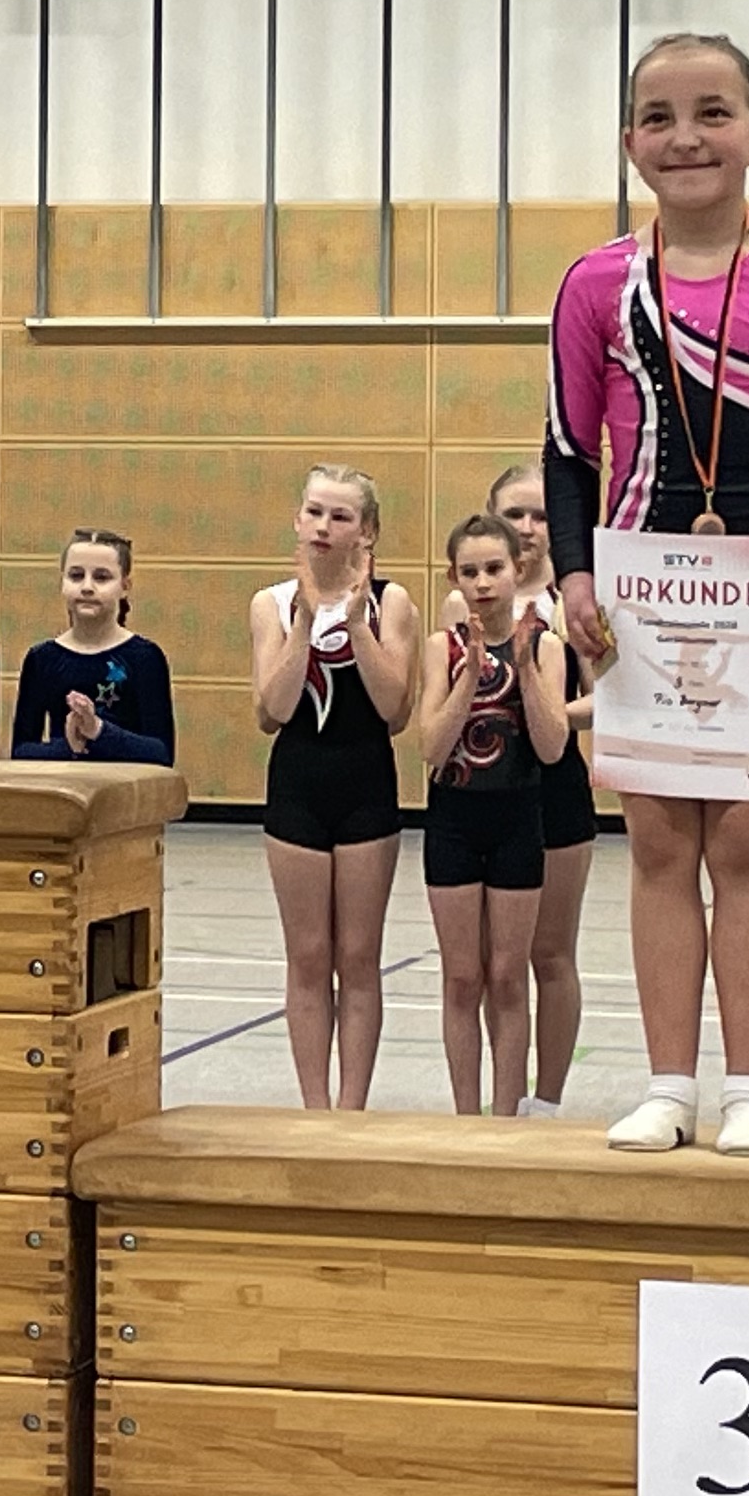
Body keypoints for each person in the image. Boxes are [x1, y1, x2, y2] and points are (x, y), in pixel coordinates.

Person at [546, 34, 749, 1160]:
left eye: (713, 113)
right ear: (629, 143)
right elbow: (568, 451)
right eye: (659, 117)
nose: (685, 137)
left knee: (744, 846)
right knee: (655, 848)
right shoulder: (597, 284)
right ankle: (668, 1086)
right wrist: (575, 575)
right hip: (638, 598)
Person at [256, 465, 420, 1111]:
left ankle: (351, 1109)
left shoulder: (391, 602)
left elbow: (395, 711)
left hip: (366, 788)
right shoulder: (270, 603)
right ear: (298, 520)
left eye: (341, 516)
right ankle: (315, 1109)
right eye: (315, 512)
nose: (324, 526)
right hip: (297, 787)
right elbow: (271, 710)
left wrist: (354, 623)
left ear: (367, 531)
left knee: (357, 957)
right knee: (306, 955)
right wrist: (303, 620)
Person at [411, 512, 566, 1116]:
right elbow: (431, 747)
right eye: (470, 572)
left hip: (518, 820)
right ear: (453, 577)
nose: (482, 583)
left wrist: (522, 665)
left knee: (507, 976)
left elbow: (551, 747)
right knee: (461, 977)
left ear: (517, 571)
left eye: (494, 569)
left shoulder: (545, 646)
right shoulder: (440, 648)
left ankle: (505, 1117)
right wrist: (471, 673)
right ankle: (465, 1117)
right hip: (453, 820)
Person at [488, 466, 592, 1116]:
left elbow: (609, 699)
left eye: (541, 516)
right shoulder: (471, 598)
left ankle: (547, 1101)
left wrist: (548, 714)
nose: (527, 528)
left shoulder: (576, 606)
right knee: (497, 963)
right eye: (514, 514)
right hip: (487, 791)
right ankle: (500, 1100)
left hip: (556, 788)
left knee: (551, 954)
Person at [14, 530, 177, 764]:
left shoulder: (145, 657)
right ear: (62, 582)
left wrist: (98, 731)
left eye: (101, 577)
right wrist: (70, 746)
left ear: (125, 586)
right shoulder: (41, 659)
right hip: (64, 784)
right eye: (76, 576)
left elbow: (161, 753)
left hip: (125, 785)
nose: (87, 587)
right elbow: (20, 751)